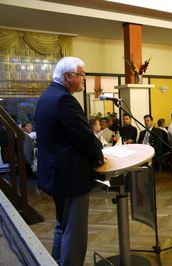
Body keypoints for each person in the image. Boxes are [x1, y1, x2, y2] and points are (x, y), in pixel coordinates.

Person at [35, 57, 104, 265]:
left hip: (56, 175)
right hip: (71, 177)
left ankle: (55, 260)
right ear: (68, 77)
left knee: (62, 224)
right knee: (74, 233)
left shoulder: (47, 95)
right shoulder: (64, 100)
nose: (84, 79)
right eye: (82, 74)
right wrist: (99, 157)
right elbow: (84, 136)